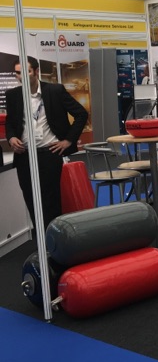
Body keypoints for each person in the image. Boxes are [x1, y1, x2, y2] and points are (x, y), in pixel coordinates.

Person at [5, 56, 89, 233]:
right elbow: (10, 123)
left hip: (49, 153)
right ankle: (41, 241)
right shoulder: (13, 95)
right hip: (24, 155)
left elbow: (81, 114)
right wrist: (11, 138)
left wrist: (68, 140)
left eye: (26, 72)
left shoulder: (54, 91)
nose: (21, 77)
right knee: (30, 199)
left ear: (36, 71)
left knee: (50, 200)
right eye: (18, 73)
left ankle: (54, 240)